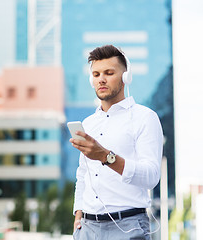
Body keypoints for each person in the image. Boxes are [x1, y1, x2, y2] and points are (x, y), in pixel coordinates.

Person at [70, 44, 163, 240]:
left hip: (127, 226)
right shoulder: (88, 123)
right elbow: (83, 174)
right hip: (86, 229)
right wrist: (78, 212)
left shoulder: (145, 117)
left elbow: (152, 176)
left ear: (125, 76)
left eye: (109, 72)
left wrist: (106, 157)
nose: (101, 79)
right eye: (96, 74)